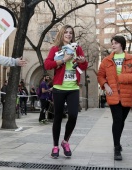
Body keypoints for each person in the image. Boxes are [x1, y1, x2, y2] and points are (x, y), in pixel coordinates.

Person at [97, 36, 132, 161]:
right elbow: (100, 75)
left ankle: (118, 142)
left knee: (121, 121)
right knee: (117, 120)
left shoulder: (131, 59)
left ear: (122, 44)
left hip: (127, 95)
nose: (113, 45)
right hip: (113, 95)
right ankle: (117, 148)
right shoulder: (107, 60)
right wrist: (105, 85)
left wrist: (123, 78)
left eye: (116, 43)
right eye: (112, 43)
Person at [44, 25, 88, 158]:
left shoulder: (77, 48)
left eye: (71, 33)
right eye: (66, 32)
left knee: (73, 115)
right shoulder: (55, 49)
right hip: (59, 88)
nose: (68, 34)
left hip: (73, 88)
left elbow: (84, 66)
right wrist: (63, 60)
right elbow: (47, 64)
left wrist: (83, 61)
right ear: (62, 34)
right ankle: (55, 146)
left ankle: (65, 142)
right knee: (57, 117)